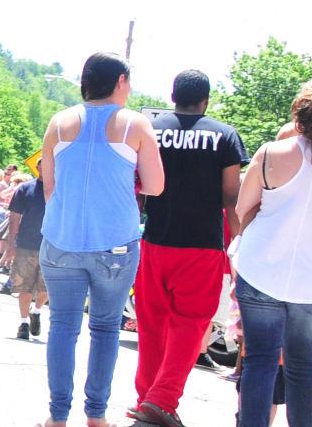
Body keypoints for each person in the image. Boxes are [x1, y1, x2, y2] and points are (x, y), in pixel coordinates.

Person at [35, 52, 166, 427]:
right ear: (120, 81)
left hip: (60, 239)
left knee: (63, 326)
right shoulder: (135, 125)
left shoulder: (59, 123)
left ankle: (57, 416)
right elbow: (156, 186)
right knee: (106, 328)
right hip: (115, 243)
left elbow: (49, 187)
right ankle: (96, 415)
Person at [128, 70, 247, 427]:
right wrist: (239, 244)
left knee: (151, 321)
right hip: (201, 247)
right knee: (191, 324)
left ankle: (146, 397)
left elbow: (137, 187)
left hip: (155, 240)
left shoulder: (151, 130)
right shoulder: (224, 135)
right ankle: (162, 400)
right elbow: (230, 196)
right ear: (206, 100)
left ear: (173, 96)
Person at [229, 77, 312, 427]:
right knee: (303, 366)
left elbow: (243, 209)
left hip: (261, 270)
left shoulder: (271, 153)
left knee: (260, 361)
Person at [9, 175, 51, 341]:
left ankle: (36, 311)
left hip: (51, 246)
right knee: (24, 286)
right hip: (26, 244)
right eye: (41, 164)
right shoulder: (25, 188)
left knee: (46, 288)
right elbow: (14, 216)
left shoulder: (60, 188)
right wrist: (11, 242)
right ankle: (23, 323)